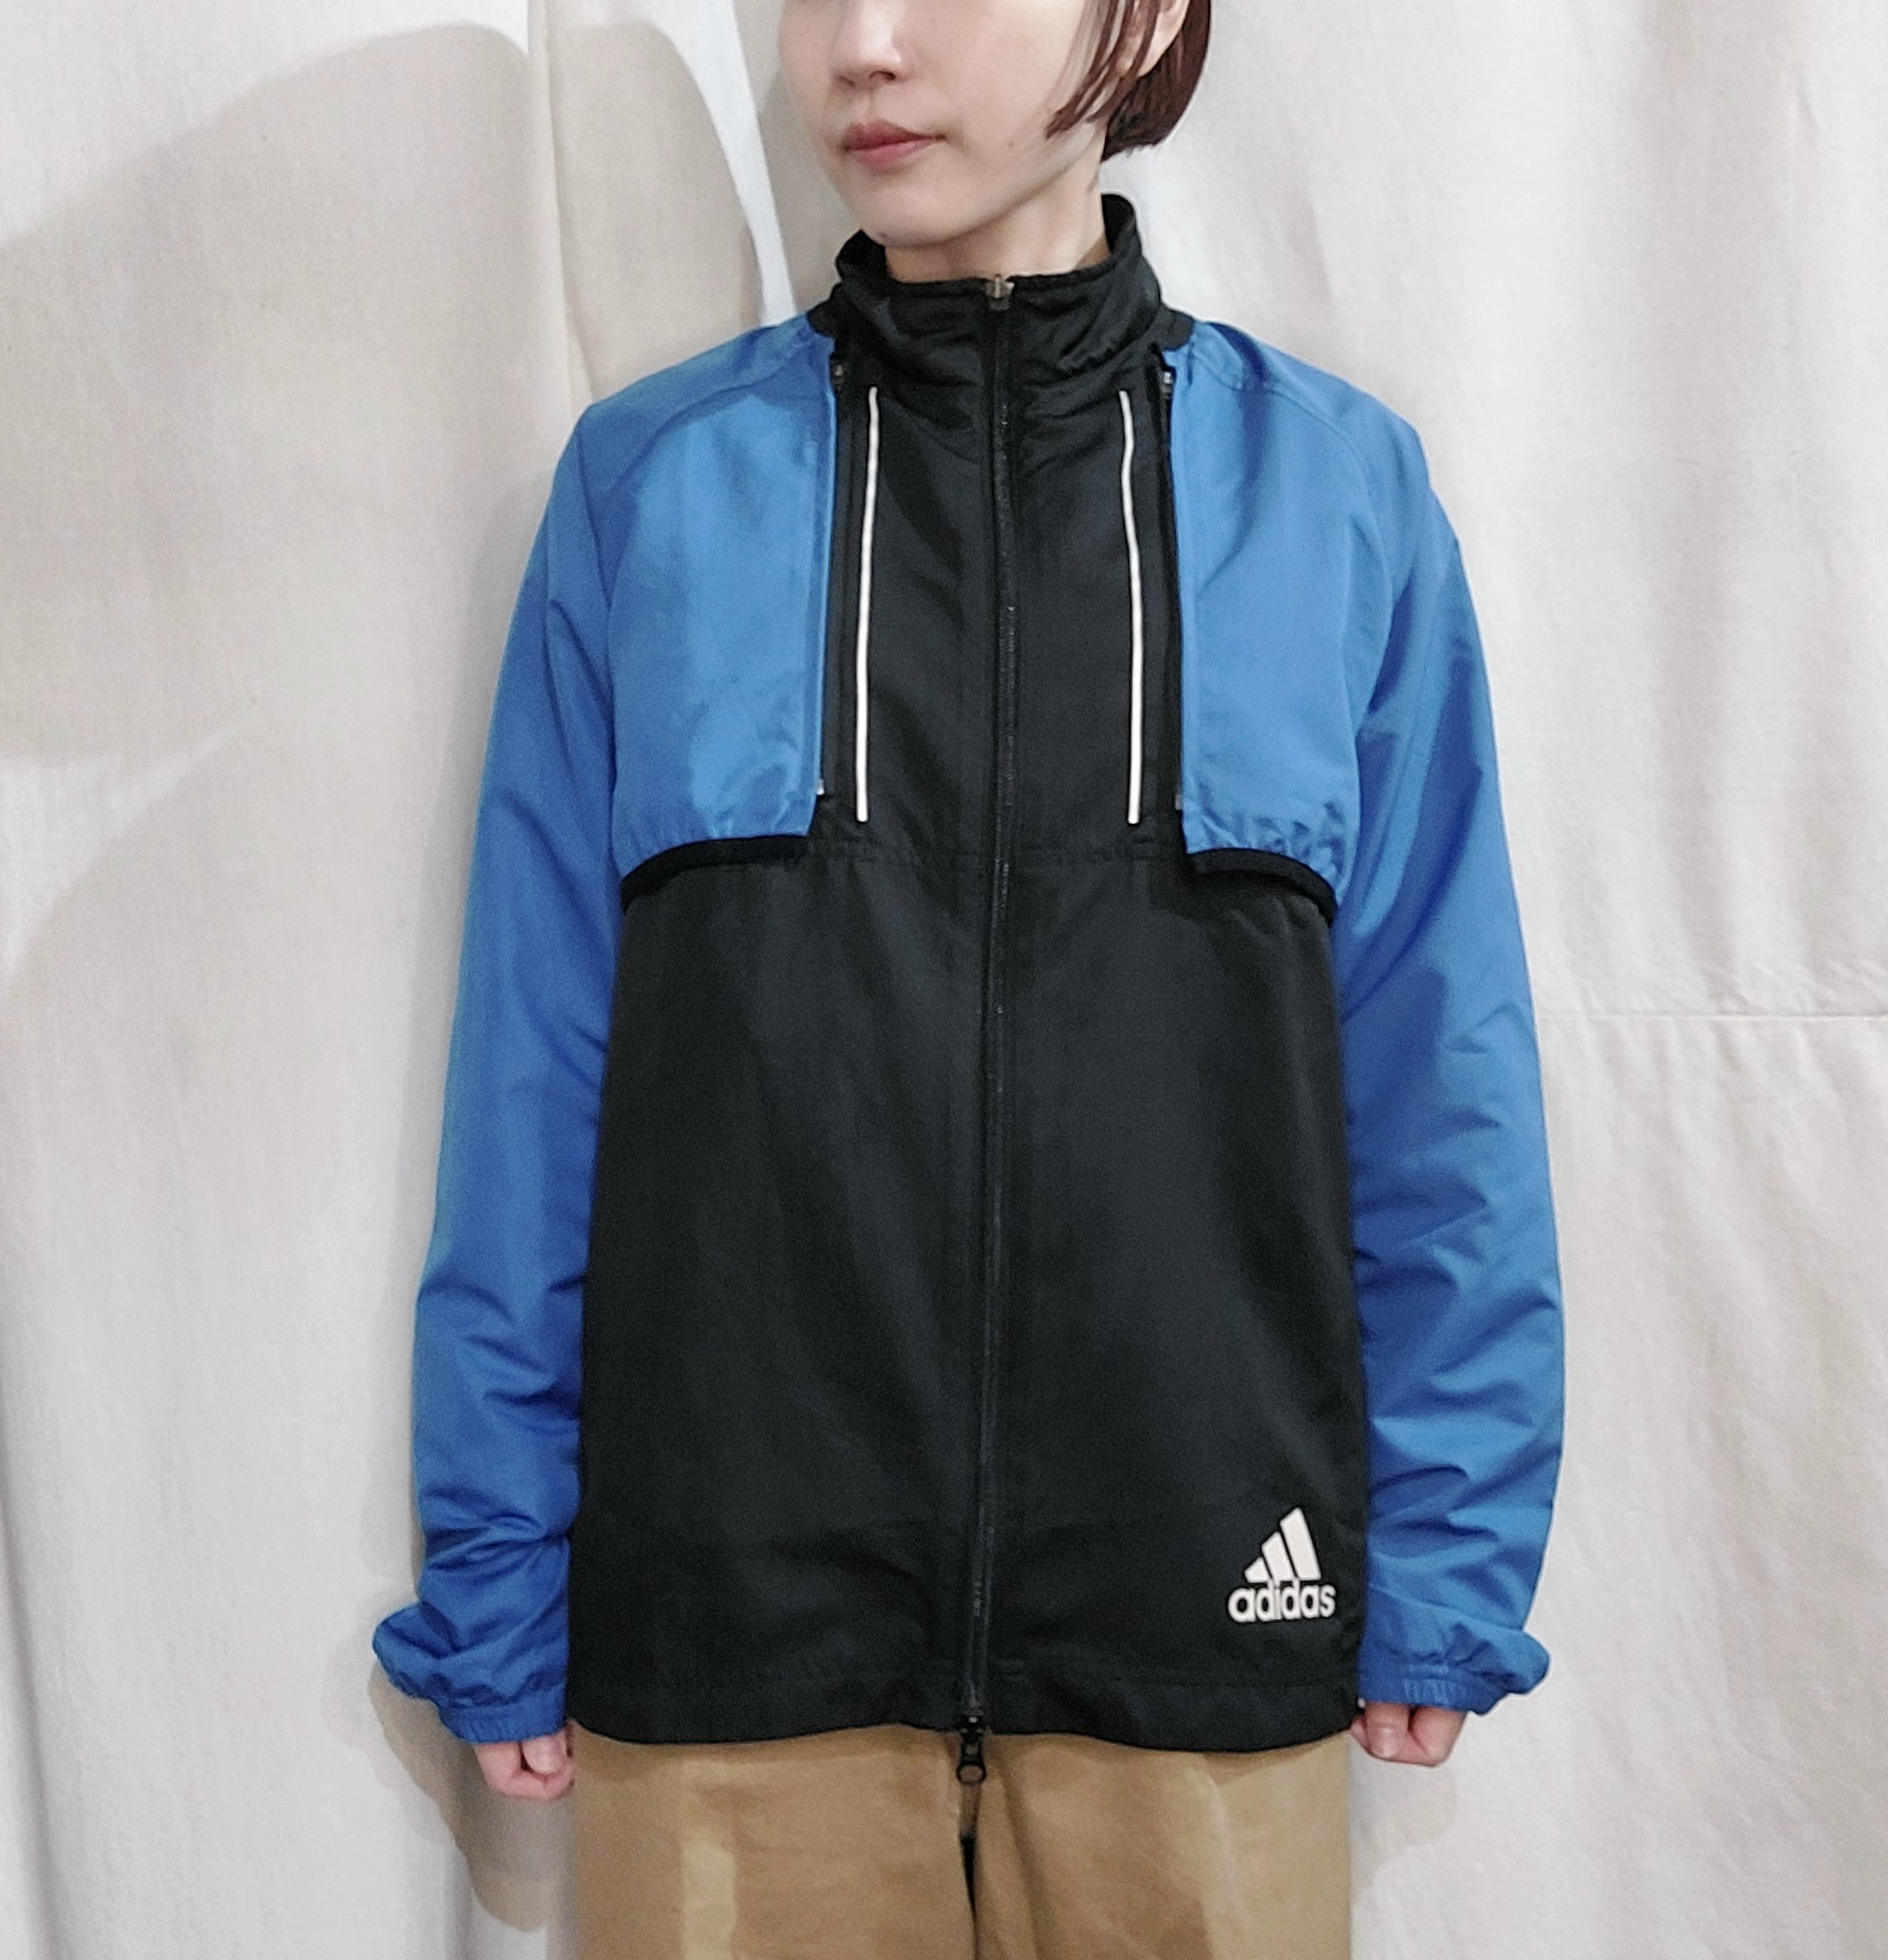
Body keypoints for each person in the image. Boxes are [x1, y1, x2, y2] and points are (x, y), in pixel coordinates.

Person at [371, 0, 1566, 1952]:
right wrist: (499, 1557)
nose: (862, 45)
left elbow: (1442, 1078)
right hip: (731, 1649)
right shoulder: (651, 489)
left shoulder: (1336, 498)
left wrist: (1443, 1550)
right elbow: (534, 1069)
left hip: (1201, 1628)